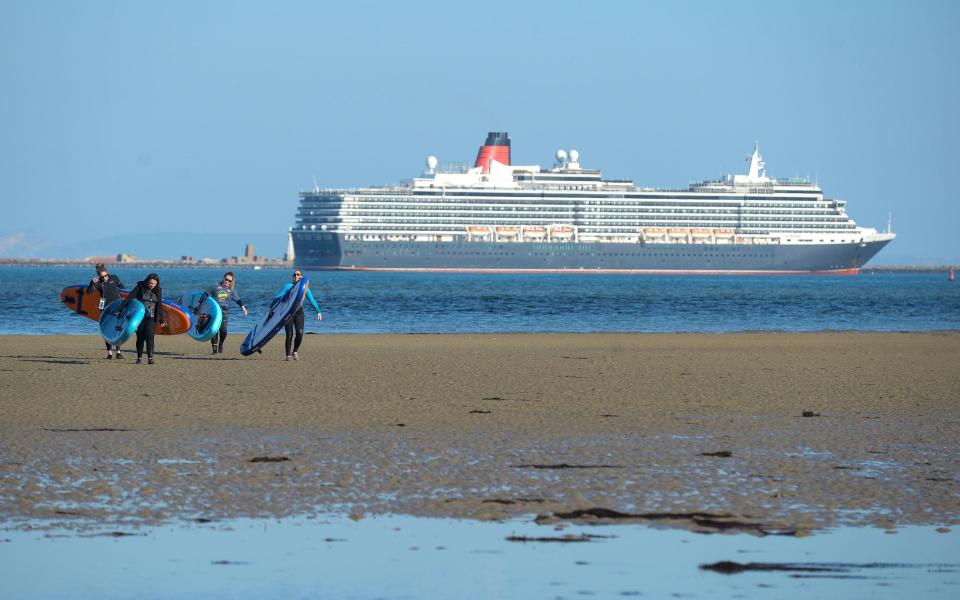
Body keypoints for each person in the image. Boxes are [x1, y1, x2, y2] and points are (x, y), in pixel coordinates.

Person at [278, 270, 322, 361]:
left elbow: (312, 300)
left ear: (301, 277)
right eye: (294, 274)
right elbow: (277, 297)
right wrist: (271, 309)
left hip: (299, 313)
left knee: (300, 333)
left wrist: (318, 311)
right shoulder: (288, 286)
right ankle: (287, 355)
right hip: (288, 313)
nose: (296, 276)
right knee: (289, 334)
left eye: (298, 274)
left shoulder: (305, 289)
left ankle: (295, 351)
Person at [124, 273, 167, 364]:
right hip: (140, 317)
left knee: (150, 337)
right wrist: (121, 308)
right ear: (147, 281)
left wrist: (162, 319)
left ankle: (150, 358)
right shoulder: (139, 288)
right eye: (151, 283)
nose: (152, 285)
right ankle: (139, 358)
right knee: (140, 337)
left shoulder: (158, 290)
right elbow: (129, 298)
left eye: (154, 284)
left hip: (152, 317)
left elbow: (159, 305)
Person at [200, 272, 247, 354]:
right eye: (226, 279)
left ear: (231, 281)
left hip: (225, 312)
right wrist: (198, 304)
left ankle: (221, 344)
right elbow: (205, 294)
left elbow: (238, 300)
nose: (227, 282)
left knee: (224, 331)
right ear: (223, 278)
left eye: (229, 281)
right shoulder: (215, 286)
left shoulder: (231, 290)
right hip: (215, 311)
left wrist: (243, 308)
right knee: (214, 330)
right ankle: (214, 350)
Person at [87, 263, 126, 359]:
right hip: (105, 308)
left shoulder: (114, 277)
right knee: (107, 330)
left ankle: (118, 352)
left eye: (105, 275)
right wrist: (92, 283)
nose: (104, 277)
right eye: (102, 276)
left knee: (117, 329)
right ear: (99, 276)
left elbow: (123, 287)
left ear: (107, 273)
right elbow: (89, 292)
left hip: (117, 306)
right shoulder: (98, 282)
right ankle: (109, 353)